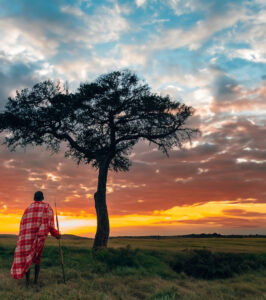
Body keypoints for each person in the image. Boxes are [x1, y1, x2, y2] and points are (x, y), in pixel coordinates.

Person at [10, 191, 61, 286]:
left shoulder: (27, 209)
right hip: (39, 238)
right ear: (42, 198)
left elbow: (22, 225)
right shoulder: (46, 207)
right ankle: (35, 281)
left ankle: (27, 281)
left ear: (34, 198)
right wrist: (56, 234)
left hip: (26, 238)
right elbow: (49, 225)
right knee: (37, 259)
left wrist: (21, 239)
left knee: (27, 257)